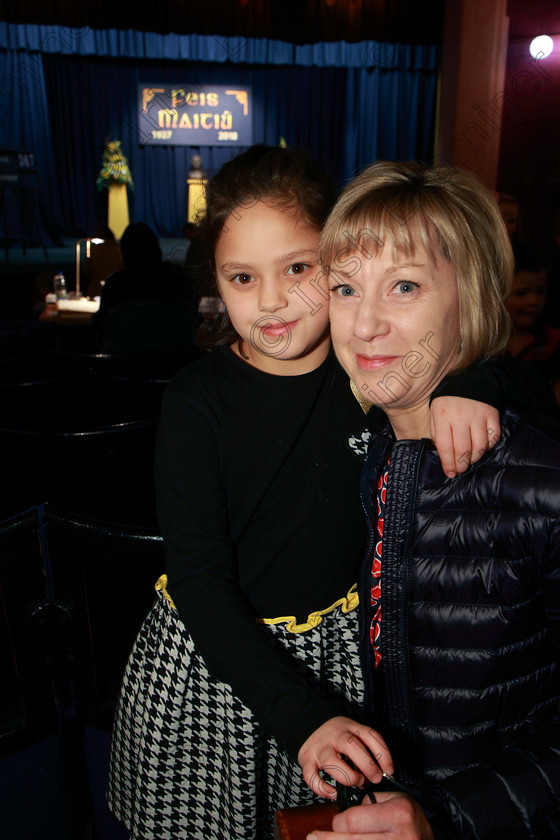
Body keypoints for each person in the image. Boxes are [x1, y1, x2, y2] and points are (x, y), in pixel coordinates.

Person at [106, 146, 526, 840]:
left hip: (337, 657)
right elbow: (201, 582)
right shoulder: (197, 401)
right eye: (242, 277)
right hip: (215, 666)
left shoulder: (363, 368)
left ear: (336, 266)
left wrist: (471, 385)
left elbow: (499, 362)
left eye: (298, 270)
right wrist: (300, 716)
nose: (272, 301)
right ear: (214, 280)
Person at [303, 161, 560, 840]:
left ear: (469, 296)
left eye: (405, 286)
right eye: (346, 288)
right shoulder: (366, 452)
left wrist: (448, 818)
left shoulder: (538, 481)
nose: (363, 325)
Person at [505, 242, 560, 406]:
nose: (534, 301)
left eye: (540, 292)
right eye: (521, 293)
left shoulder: (554, 340)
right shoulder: (482, 344)